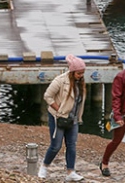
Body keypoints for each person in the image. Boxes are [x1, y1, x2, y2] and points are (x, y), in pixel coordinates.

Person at [39, 54, 86, 182]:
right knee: (56, 146)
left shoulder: (81, 83)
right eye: (78, 73)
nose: (81, 75)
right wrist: (58, 109)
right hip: (58, 117)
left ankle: (71, 171)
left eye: (82, 73)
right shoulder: (60, 80)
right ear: (72, 72)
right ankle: (44, 166)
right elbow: (47, 96)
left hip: (73, 118)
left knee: (72, 145)